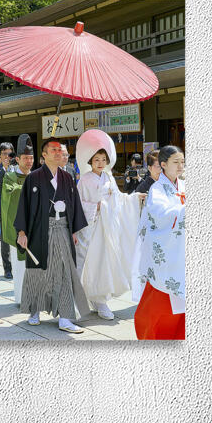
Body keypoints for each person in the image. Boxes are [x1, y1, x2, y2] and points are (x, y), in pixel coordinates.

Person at [13, 138, 90, 333]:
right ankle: (34, 310)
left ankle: (65, 317)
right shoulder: (34, 178)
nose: (58, 153)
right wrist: (22, 232)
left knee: (65, 270)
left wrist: (72, 230)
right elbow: (24, 206)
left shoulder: (67, 177)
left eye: (60, 150)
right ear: (44, 155)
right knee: (38, 270)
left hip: (62, 228)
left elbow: (74, 206)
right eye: (53, 150)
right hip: (40, 229)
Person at [74, 129, 146, 320]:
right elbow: (78, 203)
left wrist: (134, 198)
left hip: (108, 228)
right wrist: (97, 206)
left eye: (103, 159)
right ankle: (90, 299)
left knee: (105, 263)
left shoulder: (109, 178)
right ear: (90, 161)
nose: (100, 163)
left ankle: (101, 299)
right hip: (91, 228)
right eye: (96, 159)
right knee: (90, 263)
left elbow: (119, 198)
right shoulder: (84, 180)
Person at [131, 145, 185, 340]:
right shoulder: (157, 189)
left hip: (181, 253)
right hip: (166, 257)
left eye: (182, 162)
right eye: (175, 162)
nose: (180, 166)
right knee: (159, 309)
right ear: (163, 165)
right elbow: (161, 216)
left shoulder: (184, 186)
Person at [0, 135, 34, 303]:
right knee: (20, 265)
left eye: (31, 158)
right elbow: (11, 204)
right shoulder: (10, 178)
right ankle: (22, 297)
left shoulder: (36, 177)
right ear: (18, 159)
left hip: (36, 228)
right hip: (18, 228)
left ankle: (35, 295)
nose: (29, 161)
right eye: (26, 158)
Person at [0, 143, 15, 280]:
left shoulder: (17, 168)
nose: (7, 156)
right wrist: (4, 169)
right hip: (3, 206)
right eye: (4, 154)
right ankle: (8, 268)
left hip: (17, 205)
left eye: (10, 153)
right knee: (6, 238)